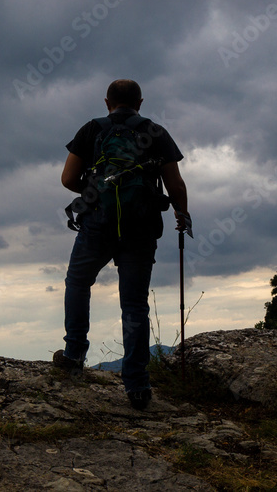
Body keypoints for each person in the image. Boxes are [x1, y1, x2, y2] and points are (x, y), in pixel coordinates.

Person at [54, 79, 190, 410]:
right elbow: (175, 183)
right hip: (140, 229)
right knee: (134, 305)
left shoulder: (91, 130)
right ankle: (138, 385)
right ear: (140, 103)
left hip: (97, 226)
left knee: (78, 283)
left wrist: (97, 190)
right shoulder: (156, 132)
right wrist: (181, 213)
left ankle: (74, 355)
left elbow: (68, 179)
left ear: (106, 102)